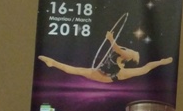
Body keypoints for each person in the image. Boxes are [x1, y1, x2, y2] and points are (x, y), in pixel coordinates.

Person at [38, 30, 173, 83]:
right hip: (102, 71)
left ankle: (161, 62)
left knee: (145, 69)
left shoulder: (128, 54)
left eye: (137, 55)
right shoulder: (127, 50)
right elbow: (117, 48)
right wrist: (111, 39)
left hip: (112, 76)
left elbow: (117, 48)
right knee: (77, 70)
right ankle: (52, 62)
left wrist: (110, 38)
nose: (138, 54)